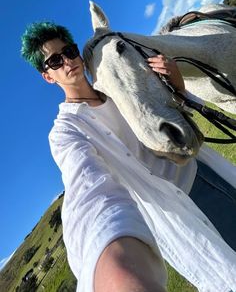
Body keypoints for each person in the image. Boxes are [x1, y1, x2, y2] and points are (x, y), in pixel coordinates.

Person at [21, 21, 236, 292]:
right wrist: (107, 256)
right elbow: (87, 185)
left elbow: (174, 114)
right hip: (180, 209)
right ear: (48, 76)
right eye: (54, 60)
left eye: (69, 51)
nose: (67, 61)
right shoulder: (66, 132)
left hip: (203, 170)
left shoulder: (115, 86)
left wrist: (177, 86)